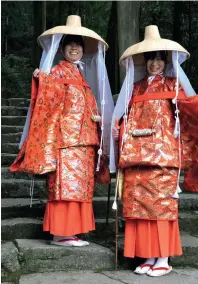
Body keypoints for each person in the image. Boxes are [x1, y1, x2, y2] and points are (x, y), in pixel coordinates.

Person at [110, 25, 198, 277]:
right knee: (139, 206)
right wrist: (118, 128)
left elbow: (191, 109)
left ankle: (163, 257)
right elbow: (126, 114)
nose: (155, 64)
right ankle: (148, 255)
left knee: (161, 206)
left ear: (166, 62)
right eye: (151, 59)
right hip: (135, 157)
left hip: (163, 155)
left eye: (160, 59)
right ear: (146, 61)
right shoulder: (135, 87)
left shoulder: (174, 86)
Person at [10, 15, 114, 247]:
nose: (75, 48)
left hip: (84, 140)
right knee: (65, 186)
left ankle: (72, 230)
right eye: (70, 44)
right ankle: (60, 233)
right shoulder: (57, 73)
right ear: (63, 48)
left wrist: (96, 119)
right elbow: (49, 99)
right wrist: (42, 80)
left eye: (78, 44)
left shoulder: (79, 75)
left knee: (79, 187)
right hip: (65, 140)